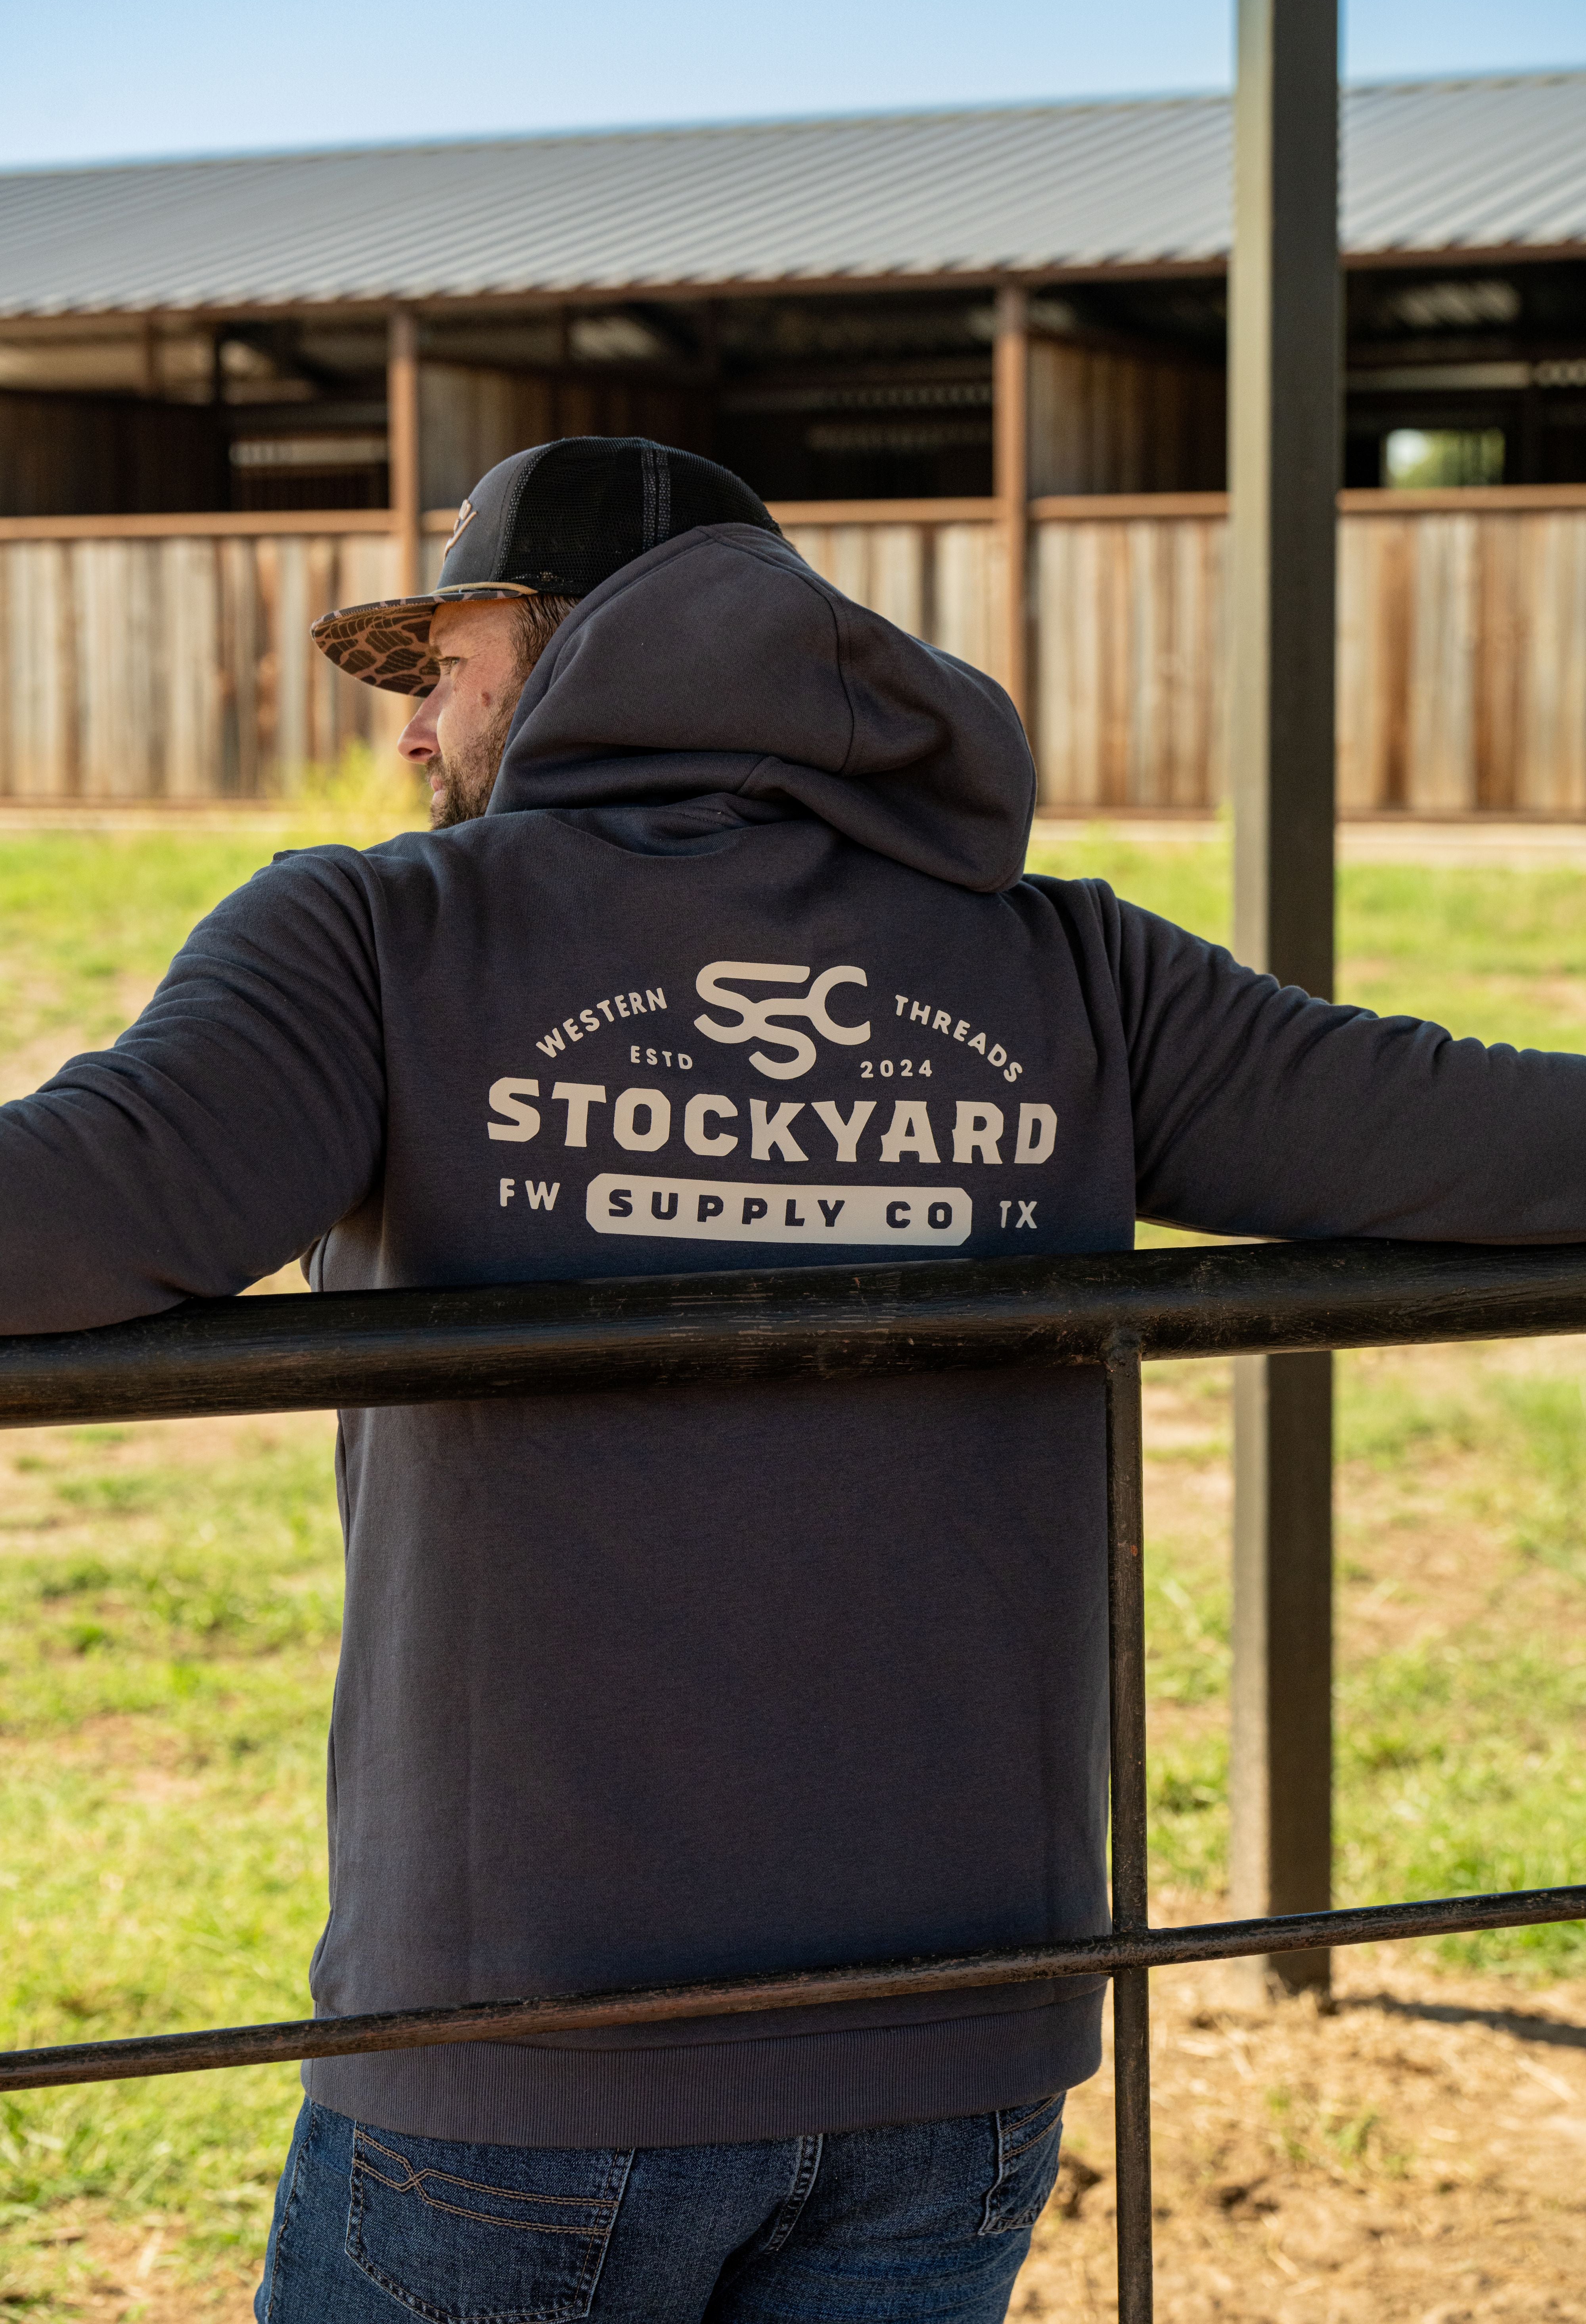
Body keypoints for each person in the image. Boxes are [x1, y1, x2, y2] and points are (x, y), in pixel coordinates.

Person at [3, 434, 1585, 2324]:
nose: (415, 734)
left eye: (447, 663)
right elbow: (1500, 1144)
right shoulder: (1069, 971)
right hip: (963, 2042)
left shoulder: (379, 938)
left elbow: (69, 1218)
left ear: (581, 647)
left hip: (530, 2048)